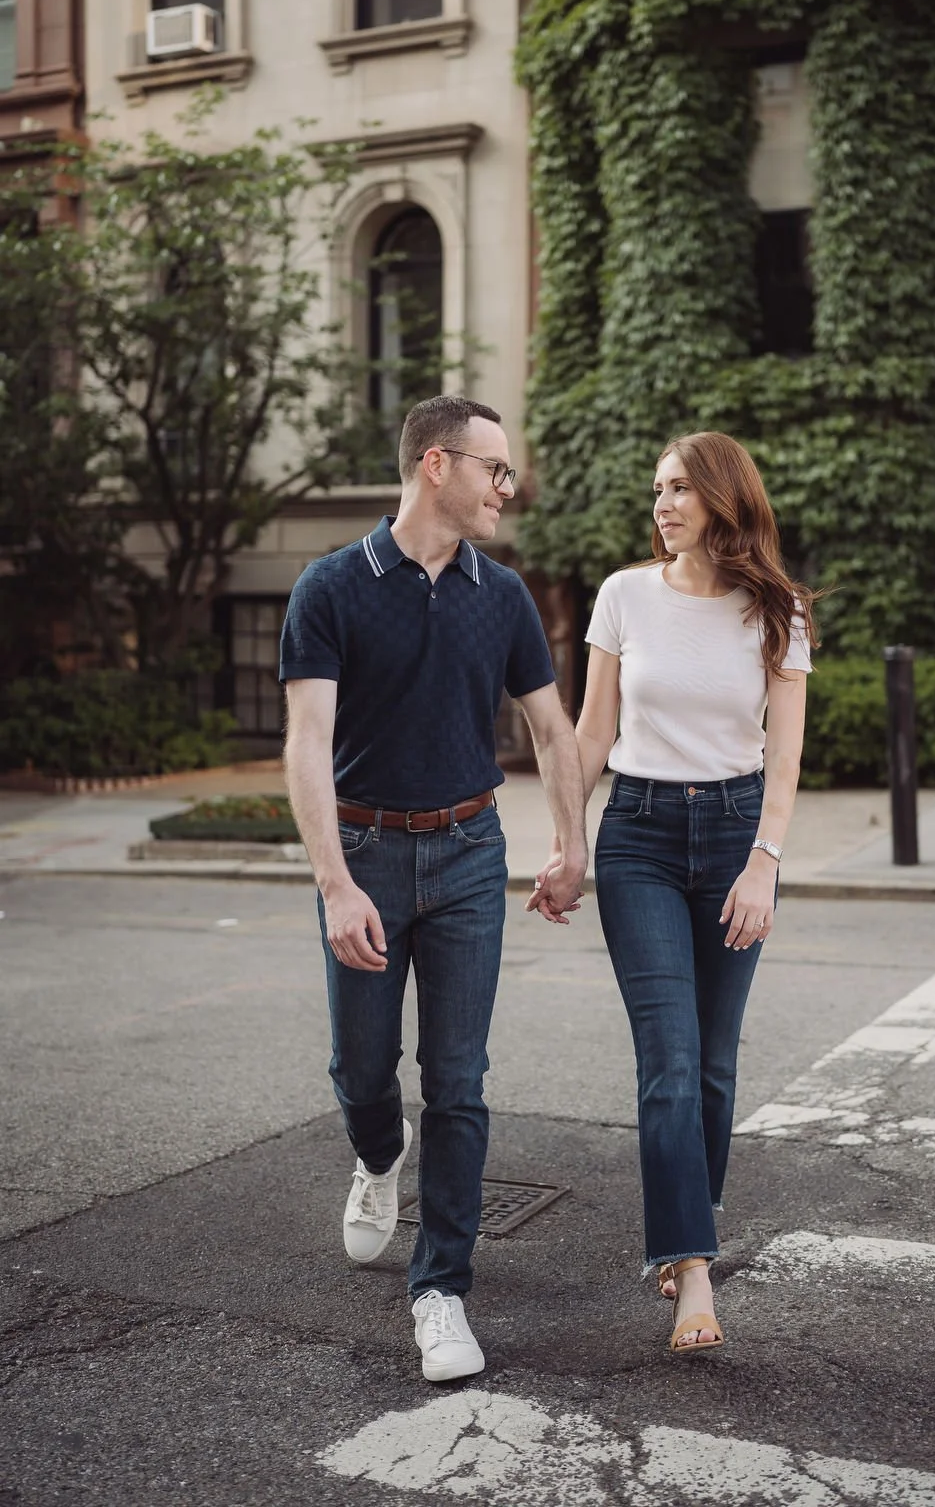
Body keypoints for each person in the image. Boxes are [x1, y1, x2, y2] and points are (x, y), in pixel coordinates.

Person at [281, 395, 587, 1384]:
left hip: (466, 854)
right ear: (436, 467)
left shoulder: (501, 596)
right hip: (365, 854)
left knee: (459, 1081)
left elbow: (550, 728)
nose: (508, 488)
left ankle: (441, 1288)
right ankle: (378, 1157)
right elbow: (307, 746)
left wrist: (569, 842)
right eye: (494, 470)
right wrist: (334, 885)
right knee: (363, 1069)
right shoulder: (330, 588)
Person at [528, 430, 813, 1354]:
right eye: (656, 488)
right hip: (642, 836)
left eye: (682, 487)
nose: (663, 503)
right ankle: (691, 1266)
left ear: (724, 499)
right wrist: (569, 844)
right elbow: (591, 732)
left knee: (717, 1065)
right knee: (670, 1061)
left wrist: (766, 860)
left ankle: (693, 1210)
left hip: (735, 834)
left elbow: (786, 753)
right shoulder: (622, 597)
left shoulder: (777, 612)